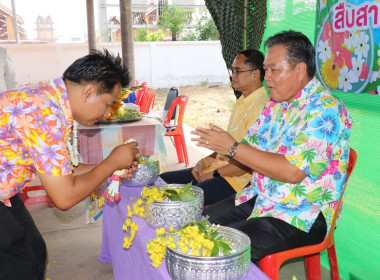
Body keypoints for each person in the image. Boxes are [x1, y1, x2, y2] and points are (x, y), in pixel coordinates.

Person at [192, 30, 352, 262]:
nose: (266, 77)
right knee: (196, 223)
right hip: (262, 196)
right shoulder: (277, 103)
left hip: (303, 212)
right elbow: (251, 147)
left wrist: (232, 147)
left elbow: (292, 171)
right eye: (266, 69)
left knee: (220, 251)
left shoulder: (325, 110)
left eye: (274, 69)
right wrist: (218, 154)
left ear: (299, 70)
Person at [0, 49, 140, 280]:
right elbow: (63, 197)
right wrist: (112, 161)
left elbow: (65, 171)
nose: (106, 113)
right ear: (88, 92)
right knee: (19, 264)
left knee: (33, 252)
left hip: (6, 194)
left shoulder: (50, 99)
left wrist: (112, 167)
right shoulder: (44, 112)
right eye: (107, 104)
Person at [160, 49, 269, 206]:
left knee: (184, 199)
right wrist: (204, 163)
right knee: (164, 179)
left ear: (255, 74)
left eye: (238, 71)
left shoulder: (261, 107)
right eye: (232, 70)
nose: (233, 75)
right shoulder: (242, 100)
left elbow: (247, 163)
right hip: (219, 169)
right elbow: (225, 148)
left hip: (237, 180)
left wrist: (213, 174)